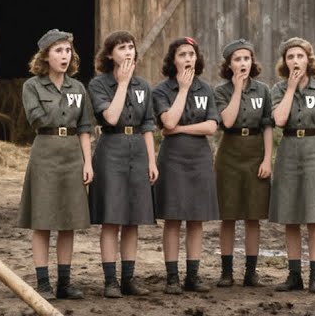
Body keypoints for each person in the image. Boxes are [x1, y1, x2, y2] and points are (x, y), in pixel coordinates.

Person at [18, 29, 94, 300]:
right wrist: (60, 100)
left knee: (68, 220)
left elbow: (84, 126)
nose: (65, 55)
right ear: (46, 56)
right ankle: (43, 283)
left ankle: (64, 282)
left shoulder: (79, 87)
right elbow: (37, 119)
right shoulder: (32, 86)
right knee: (42, 220)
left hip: (73, 154)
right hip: (45, 153)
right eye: (58, 50)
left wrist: (88, 162)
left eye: (68, 50)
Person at [87, 30, 158, 298]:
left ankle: (129, 278)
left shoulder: (144, 86)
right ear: (109, 55)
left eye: (131, 47)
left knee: (133, 219)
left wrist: (152, 161)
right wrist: (123, 84)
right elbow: (112, 117)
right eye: (121, 48)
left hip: (138, 150)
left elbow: (148, 124)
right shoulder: (98, 84)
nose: (128, 52)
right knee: (112, 218)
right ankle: (110, 281)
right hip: (111, 149)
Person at [269, 37, 315, 294]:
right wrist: (290, 89)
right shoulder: (277, 90)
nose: (295, 61)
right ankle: (294, 275)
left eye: (299, 56)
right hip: (288, 152)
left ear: (308, 60)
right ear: (284, 62)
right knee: (290, 217)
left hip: (314, 151)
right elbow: (278, 120)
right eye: (290, 57)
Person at [152, 36, 220, 294]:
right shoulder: (161, 90)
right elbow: (167, 121)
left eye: (191, 54)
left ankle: (193, 276)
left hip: (200, 158)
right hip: (172, 159)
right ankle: (172, 278)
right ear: (173, 60)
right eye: (182, 55)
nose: (188, 59)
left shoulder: (206, 90)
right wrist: (181, 90)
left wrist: (181, 128)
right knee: (172, 218)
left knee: (196, 219)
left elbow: (211, 127)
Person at [212, 38, 273, 287]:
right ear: (229, 64)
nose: (243, 63)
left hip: (255, 151)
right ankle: (226, 272)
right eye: (237, 59)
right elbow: (226, 121)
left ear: (252, 61)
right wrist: (237, 89)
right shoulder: (221, 91)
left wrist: (268, 159)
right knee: (228, 215)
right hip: (229, 153)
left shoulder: (263, 90)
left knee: (253, 216)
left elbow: (268, 126)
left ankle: (251, 272)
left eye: (246, 58)